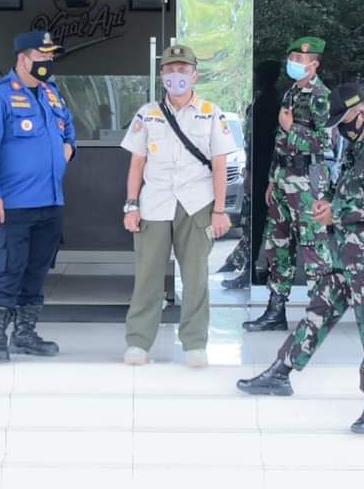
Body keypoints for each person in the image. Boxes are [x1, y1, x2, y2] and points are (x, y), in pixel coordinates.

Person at [237, 83, 364, 434]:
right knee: (319, 311)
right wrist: (329, 203)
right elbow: (351, 189)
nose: (341, 130)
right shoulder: (362, 144)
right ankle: (281, 372)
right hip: (348, 253)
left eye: (344, 122)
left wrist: (337, 212)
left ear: (361, 113)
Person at [120, 44, 237, 367]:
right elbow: (137, 163)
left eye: (183, 70)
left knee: (195, 277)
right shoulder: (148, 113)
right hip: (154, 203)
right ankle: (138, 342)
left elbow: (220, 164)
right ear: (161, 75)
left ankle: (195, 343)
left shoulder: (211, 113)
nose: (176, 75)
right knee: (148, 276)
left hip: (197, 204)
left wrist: (219, 210)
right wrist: (131, 205)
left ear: (194, 75)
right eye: (170, 70)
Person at [0, 30, 76, 362]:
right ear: (22, 58)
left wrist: (68, 149)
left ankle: (24, 334)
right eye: (41, 56)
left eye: (51, 56)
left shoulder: (52, 94)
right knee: (7, 269)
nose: (48, 61)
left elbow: (69, 128)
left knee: (36, 271)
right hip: (12, 204)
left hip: (51, 200)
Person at [243, 37, 332, 332]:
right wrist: (272, 178)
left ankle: (319, 315)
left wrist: (291, 127)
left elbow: (325, 142)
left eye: (299, 59)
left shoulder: (321, 96)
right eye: (291, 58)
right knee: (277, 246)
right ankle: (275, 311)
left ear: (314, 64)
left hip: (308, 183)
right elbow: (279, 142)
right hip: (283, 180)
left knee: (313, 248)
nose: (292, 63)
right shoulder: (291, 93)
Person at [220, 59, 282, 289]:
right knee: (255, 220)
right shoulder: (266, 99)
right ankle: (249, 266)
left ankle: (252, 271)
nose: (255, 79)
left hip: (264, 169)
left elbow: (261, 141)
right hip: (261, 167)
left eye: (257, 75)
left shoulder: (269, 102)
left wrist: (253, 172)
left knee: (257, 220)